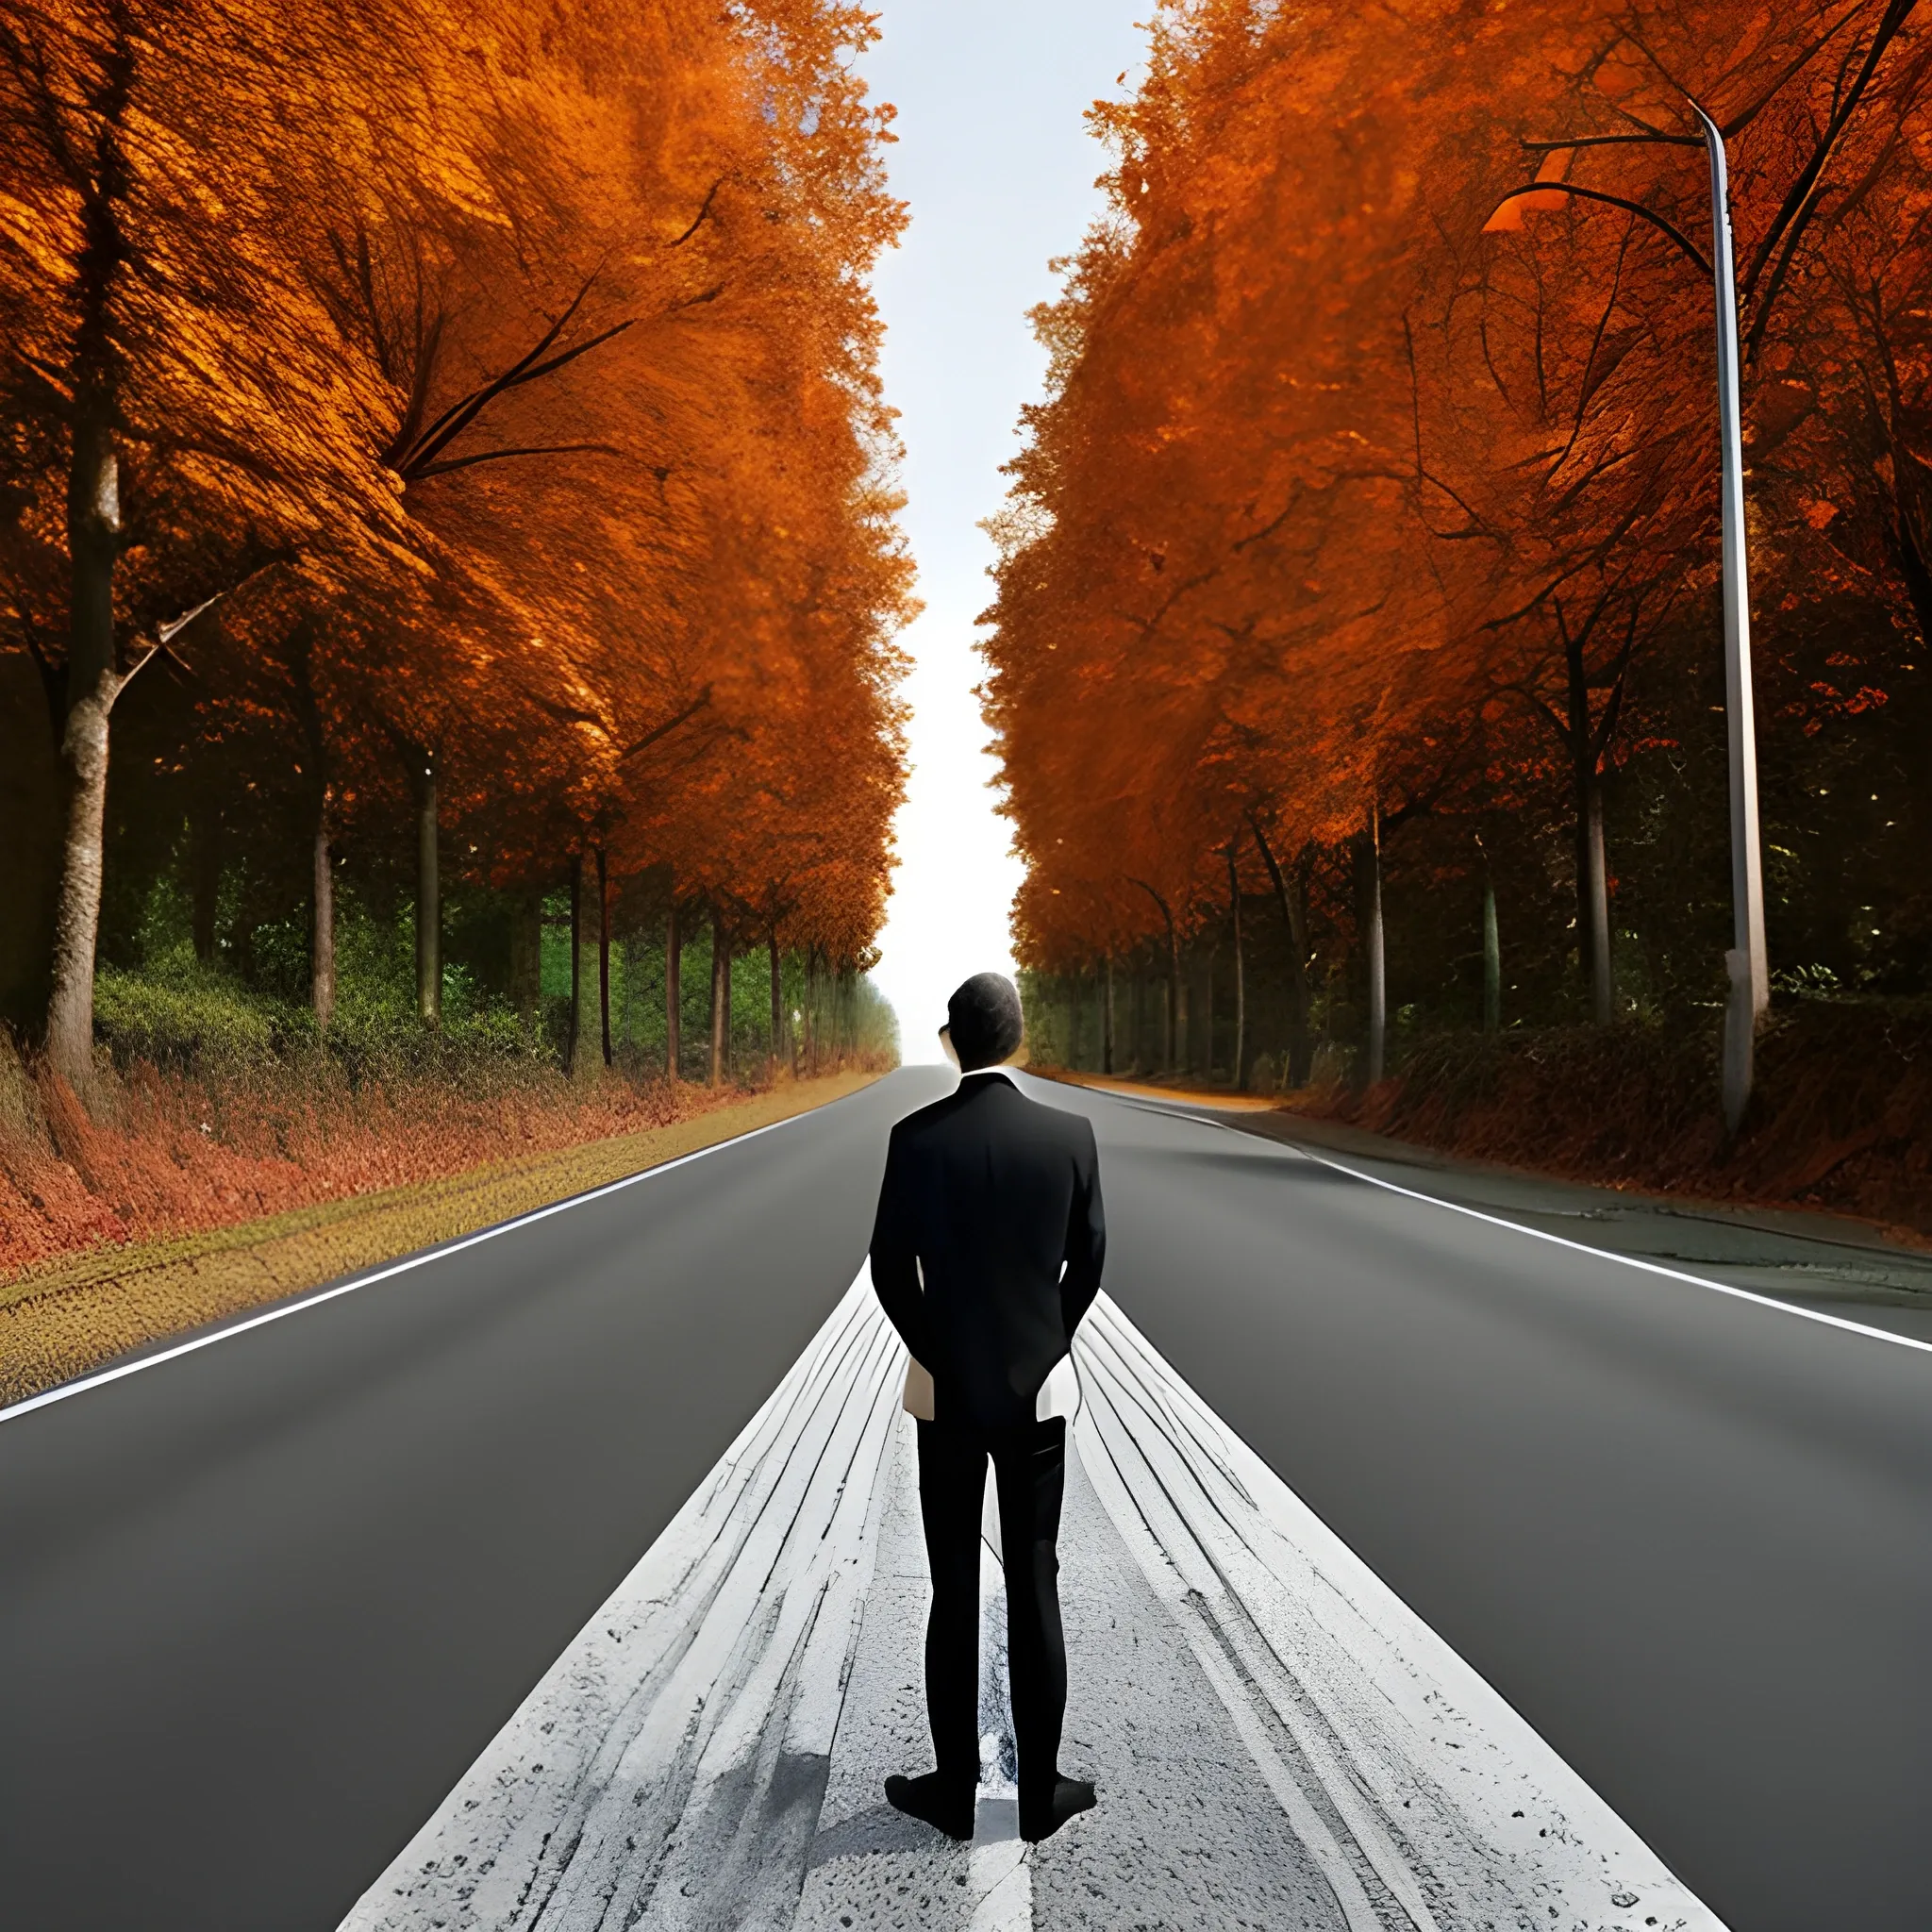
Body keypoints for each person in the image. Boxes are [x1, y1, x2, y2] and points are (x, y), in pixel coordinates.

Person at [867, 971, 1107, 1845]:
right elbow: (1090, 1261)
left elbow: (889, 1269)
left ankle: (955, 1794)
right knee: (1035, 1578)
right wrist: (1049, 1341)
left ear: (950, 1041)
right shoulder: (1071, 1137)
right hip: (1039, 1392)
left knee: (952, 1586)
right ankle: (1040, 1796)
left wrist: (940, 1351)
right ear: (1016, 1038)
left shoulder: (914, 1139)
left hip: (944, 1396)